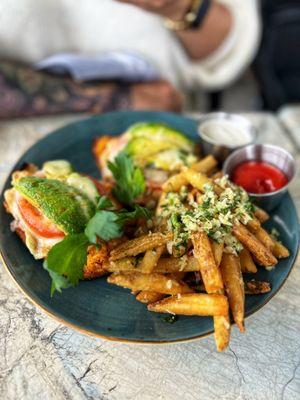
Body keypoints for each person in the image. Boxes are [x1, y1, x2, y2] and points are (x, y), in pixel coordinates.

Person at [0, 0, 260, 119]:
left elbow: (233, 38)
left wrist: (180, 6)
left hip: (176, 111)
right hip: (31, 130)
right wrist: (116, 98)